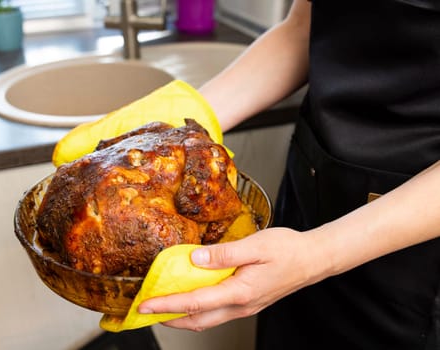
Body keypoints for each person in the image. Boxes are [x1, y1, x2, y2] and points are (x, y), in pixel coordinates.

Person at [138, 0, 440, 349]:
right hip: (306, 203)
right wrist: (183, 124)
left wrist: (319, 255)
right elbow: (301, 30)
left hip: (411, 257)